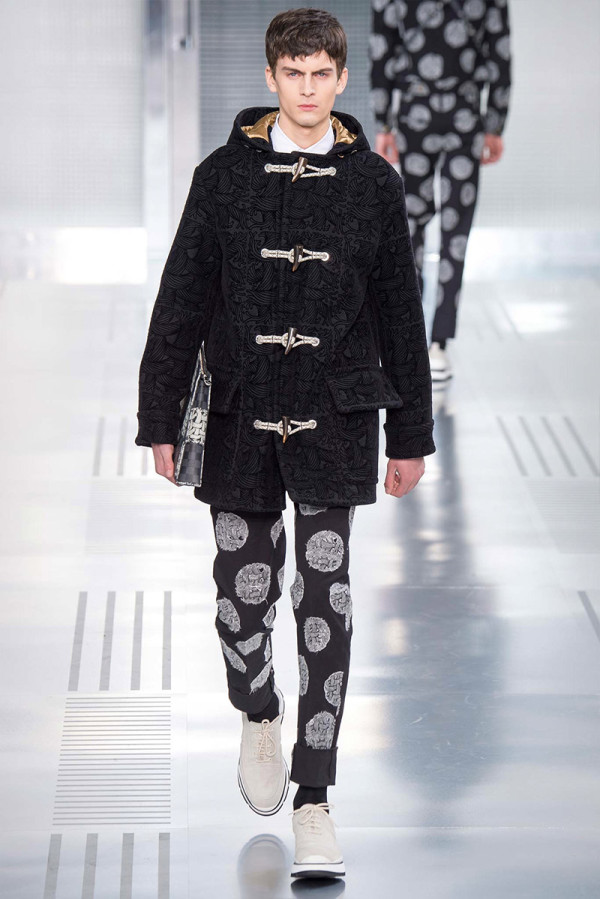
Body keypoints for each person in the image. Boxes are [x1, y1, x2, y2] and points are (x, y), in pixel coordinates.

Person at [135, 6, 435, 880]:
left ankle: (314, 797)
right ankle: (258, 708)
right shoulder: (222, 177)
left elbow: (400, 315)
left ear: (342, 78)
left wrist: (411, 432)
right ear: (271, 78)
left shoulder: (372, 186)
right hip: (239, 412)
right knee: (242, 599)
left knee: (326, 601)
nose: (307, 89)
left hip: (336, 415)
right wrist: (159, 415)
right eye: (293, 74)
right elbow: (181, 297)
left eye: (321, 74)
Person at [370, 0, 512, 381]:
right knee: (451, 230)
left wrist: (384, 121)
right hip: (462, 113)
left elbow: (382, 49)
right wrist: (495, 122)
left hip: (419, 112)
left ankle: (416, 339)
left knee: (413, 224)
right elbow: (499, 51)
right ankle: (436, 343)